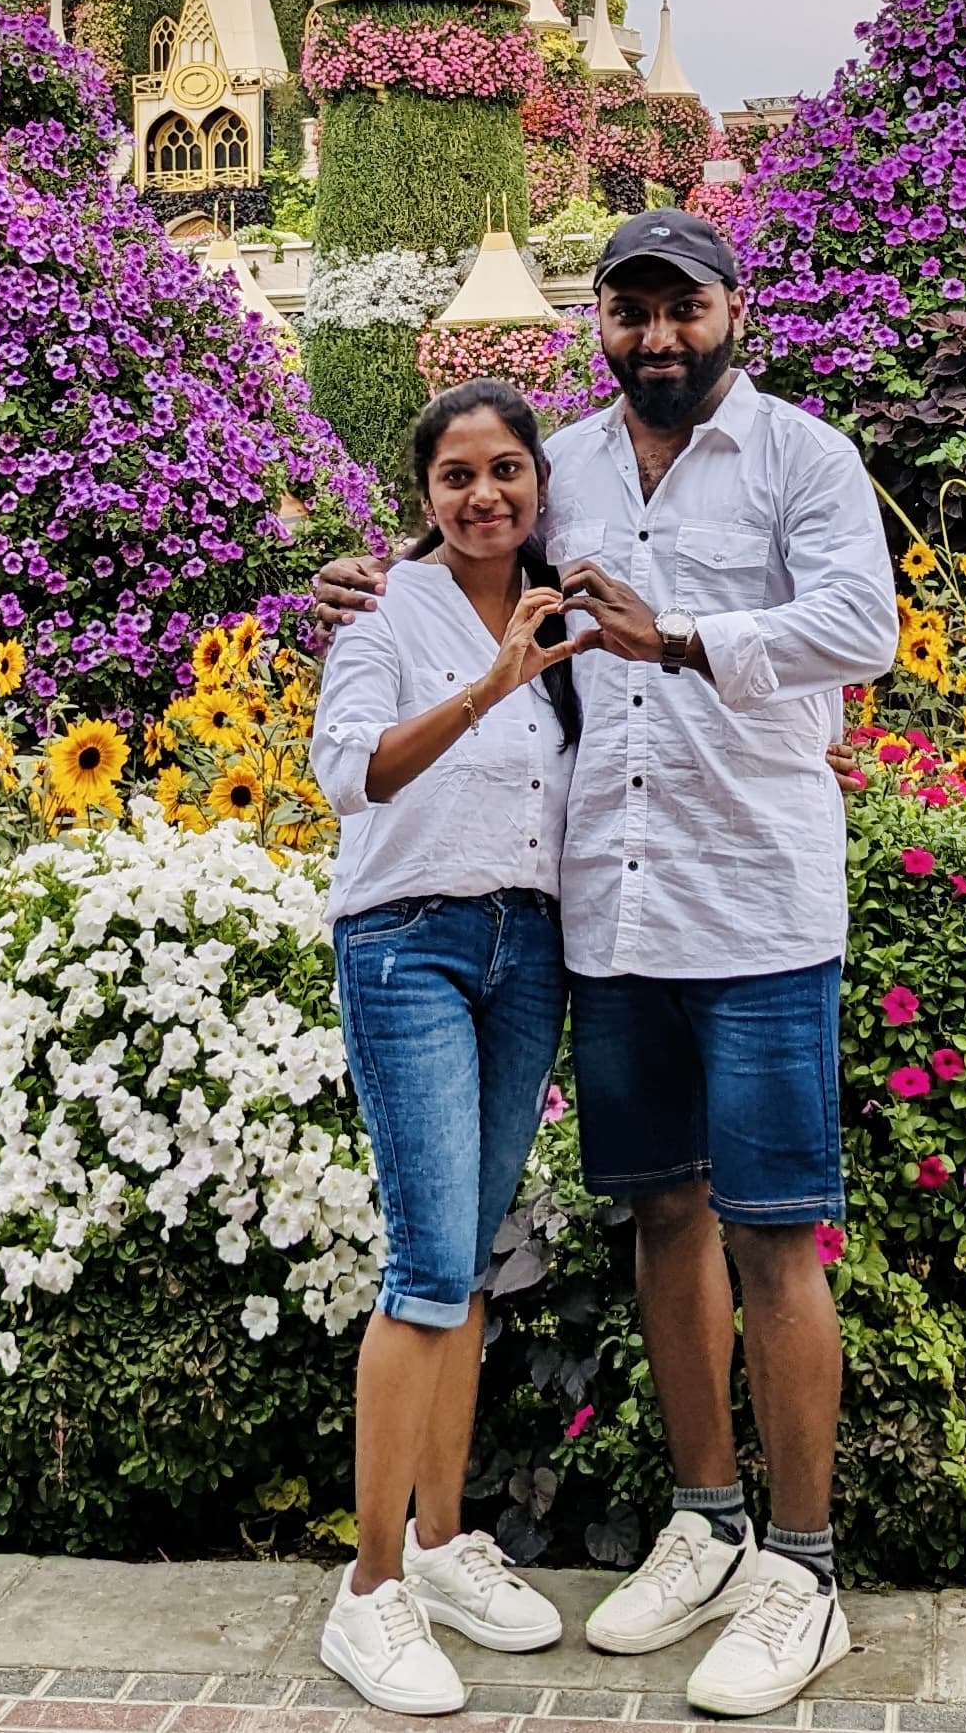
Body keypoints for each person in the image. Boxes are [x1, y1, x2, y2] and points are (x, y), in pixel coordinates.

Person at [313, 210, 898, 1719]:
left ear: (731, 307)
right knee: (662, 1216)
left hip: (759, 897)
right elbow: (468, 528)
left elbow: (860, 625)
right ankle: (704, 1518)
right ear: (601, 325)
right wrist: (360, 589)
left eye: (680, 307)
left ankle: (803, 1567)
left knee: (776, 1232)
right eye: (627, 310)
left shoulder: (801, 459)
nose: (655, 336)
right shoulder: (564, 460)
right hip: (611, 915)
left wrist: (683, 638)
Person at [308, 377, 595, 1718]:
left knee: (471, 1257)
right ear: (421, 493)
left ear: (539, 480)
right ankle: (368, 1596)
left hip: (525, 947)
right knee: (425, 1263)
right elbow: (350, 771)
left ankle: (438, 1540)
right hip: (407, 942)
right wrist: (493, 681)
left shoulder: (566, 606)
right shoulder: (381, 612)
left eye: (505, 470)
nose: (484, 494)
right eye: (455, 475)